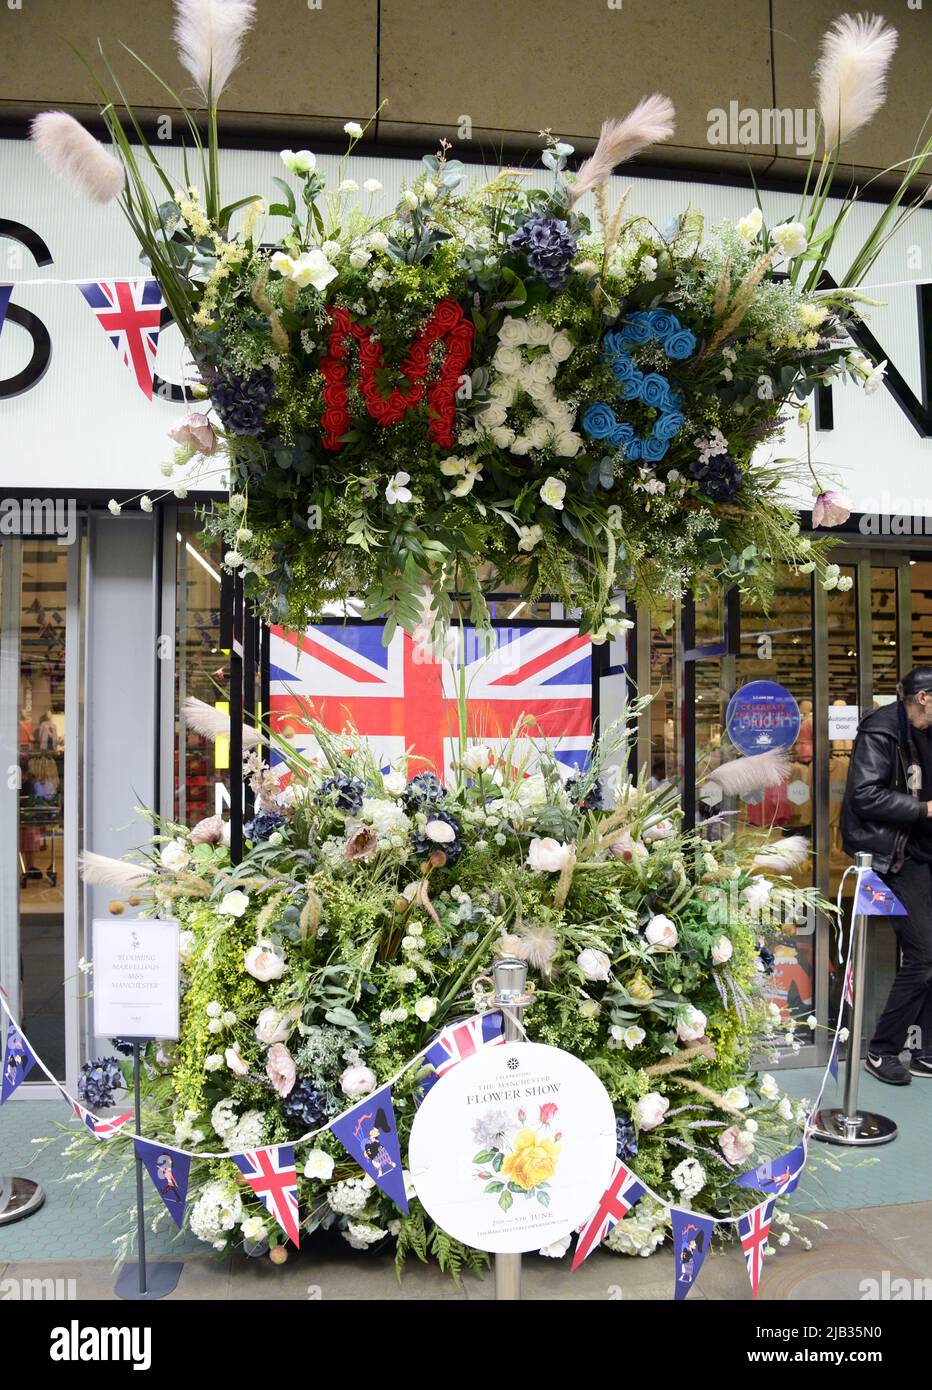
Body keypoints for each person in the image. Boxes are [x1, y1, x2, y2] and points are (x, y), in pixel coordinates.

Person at [842, 667, 932, 1084]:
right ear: (924, 697)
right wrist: (922, 809)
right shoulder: (882, 730)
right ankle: (881, 1050)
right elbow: (864, 793)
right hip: (895, 857)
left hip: (922, 853)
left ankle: (927, 1049)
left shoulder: (925, 731)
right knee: (923, 953)